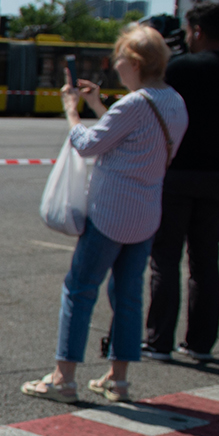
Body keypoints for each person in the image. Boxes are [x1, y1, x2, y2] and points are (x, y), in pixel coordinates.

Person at [24, 22, 188, 404]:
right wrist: (99, 105)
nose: (115, 66)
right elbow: (137, 134)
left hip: (110, 212)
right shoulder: (174, 102)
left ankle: (63, 378)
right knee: (128, 295)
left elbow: (88, 144)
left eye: (118, 59)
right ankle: (119, 378)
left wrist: (73, 112)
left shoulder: (134, 104)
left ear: (134, 61)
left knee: (80, 290)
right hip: (146, 212)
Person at [145, 4, 219, 362]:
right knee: (205, 262)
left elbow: (154, 95)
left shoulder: (180, 68)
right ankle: (200, 343)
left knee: (165, 258)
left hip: (177, 172)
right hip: (217, 172)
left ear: (197, 31)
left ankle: (159, 340)